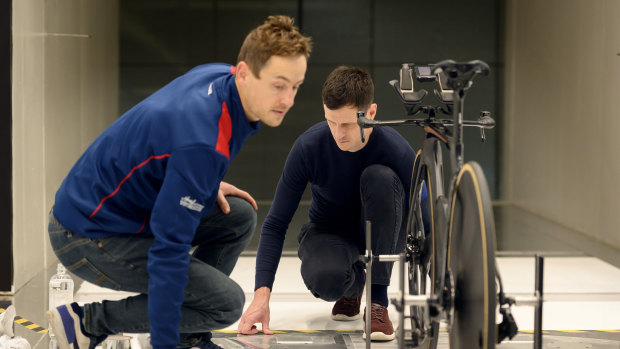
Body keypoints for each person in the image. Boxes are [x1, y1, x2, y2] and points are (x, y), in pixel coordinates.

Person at [46, 15, 312, 349]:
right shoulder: (202, 145)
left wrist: (203, 182)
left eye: (295, 86)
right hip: (86, 236)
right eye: (278, 85)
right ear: (244, 72)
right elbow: (168, 253)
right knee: (226, 303)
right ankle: (86, 323)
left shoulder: (220, 76)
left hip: (108, 210)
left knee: (238, 215)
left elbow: (169, 145)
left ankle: (191, 337)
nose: (288, 100)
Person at [237, 66, 427, 340]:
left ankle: (377, 302)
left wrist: (450, 279)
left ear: (371, 114)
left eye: (348, 124)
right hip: (330, 231)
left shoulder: (393, 147)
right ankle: (355, 284)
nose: (339, 133)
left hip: (385, 231)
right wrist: (260, 297)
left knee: (380, 176)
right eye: (331, 122)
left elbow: (425, 206)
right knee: (325, 279)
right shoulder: (309, 147)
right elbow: (276, 224)